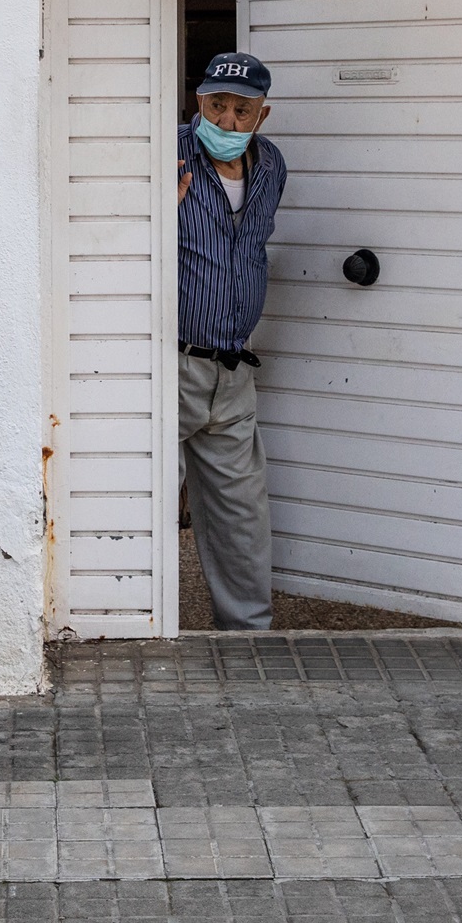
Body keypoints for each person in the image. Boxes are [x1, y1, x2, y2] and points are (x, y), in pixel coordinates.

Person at [174, 52, 287, 631]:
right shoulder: (168, 153)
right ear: (199, 101)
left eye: (241, 109)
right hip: (172, 364)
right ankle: (124, 625)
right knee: (135, 494)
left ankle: (248, 640)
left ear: (260, 116)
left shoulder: (271, 169)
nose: (226, 118)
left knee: (242, 515)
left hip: (233, 370)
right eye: (216, 104)